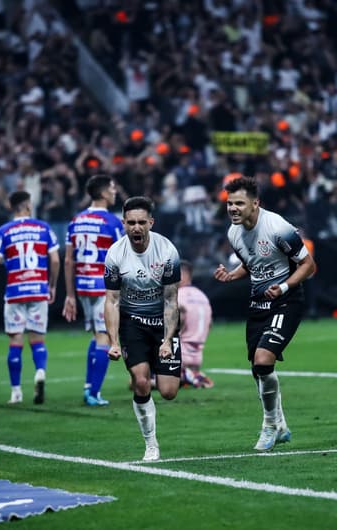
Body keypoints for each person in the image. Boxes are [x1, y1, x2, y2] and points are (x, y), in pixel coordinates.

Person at [213, 177, 316, 452]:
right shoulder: (233, 233)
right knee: (258, 370)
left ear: (255, 204)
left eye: (239, 203)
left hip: (287, 300)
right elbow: (253, 264)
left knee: (263, 358)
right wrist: (232, 275)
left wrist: (283, 286)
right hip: (258, 303)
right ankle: (280, 426)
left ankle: (268, 427)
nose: (232, 209)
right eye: (229, 203)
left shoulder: (278, 228)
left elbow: (308, 265)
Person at [104, 196, 182, 461]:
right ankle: (151, 444)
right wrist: (113, 341)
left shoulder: (168, 251)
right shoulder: (115, 254)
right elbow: (112, 301)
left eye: (141, 222)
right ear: (123, 223)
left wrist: (167, 340)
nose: (136, 228)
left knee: (169, 392)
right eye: (130, 223)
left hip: (162, 324)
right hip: (132, 323)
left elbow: (172, 300)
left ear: (151, 222)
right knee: (140, 381)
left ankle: (158, 357)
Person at [0, 190, 60, 405]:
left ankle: (16, 391)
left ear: (11, 207)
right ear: (28, 205)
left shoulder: (3, 231)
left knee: (15, 340)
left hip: (15, 291)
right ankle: (40, 371)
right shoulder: (43, 228)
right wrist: (51, 285)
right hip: (38, 289)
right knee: (37, 339)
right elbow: (54, 260)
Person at [62, 174, 124, 406]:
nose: (115, 191)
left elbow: (68, 261)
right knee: (105, 336)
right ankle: (94, 393)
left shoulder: (75, 221)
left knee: (96, 335)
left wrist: (69, 294)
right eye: (112, 187)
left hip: (82, 286)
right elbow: (122, 257)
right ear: (102, 193)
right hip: (104, 287)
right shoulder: (112, 223)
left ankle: (89, 386)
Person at [178, 260, 214, 388]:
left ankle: (185, 376)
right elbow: (210, 325)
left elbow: (178, 322)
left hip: (179, 354)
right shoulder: (202, 296)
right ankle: (192, 375)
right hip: (198, 355)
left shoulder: (177, 296)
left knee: (143, 381)